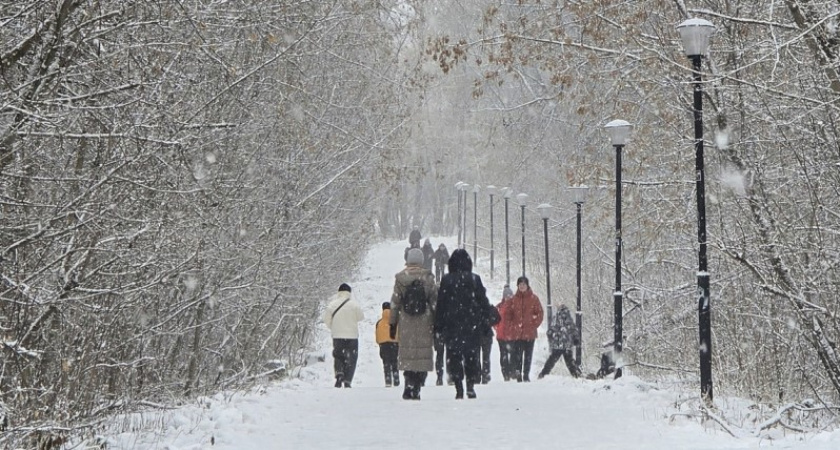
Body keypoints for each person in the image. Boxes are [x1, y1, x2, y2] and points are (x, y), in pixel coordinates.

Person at [435, 249, 498, 399]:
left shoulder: (447, 280)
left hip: (452, 326)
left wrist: (439, 326)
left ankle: (458, 386)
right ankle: (470, 385)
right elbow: (483, 302)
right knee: (471, 356)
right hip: (471, 325)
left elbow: (441, 305)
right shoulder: (475, 279)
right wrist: (485, 322)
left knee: (454, 357)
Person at [389, 248, 437, 400]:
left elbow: (395, 303)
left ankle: (408, 383)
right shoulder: (428, 278)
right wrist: (437, 323)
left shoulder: (401, 279)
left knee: (408, 354)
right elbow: (435, 302)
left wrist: (392, 323)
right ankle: (417, 385)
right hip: (425, 321)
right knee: (422, 355)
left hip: (406, 322)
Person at [323, 283, 364, 388]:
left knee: (338, 355)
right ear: (349, 292)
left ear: (339, 292)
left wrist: (333, 327)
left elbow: (326, 319)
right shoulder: (354, 305)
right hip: (352, 336)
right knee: (352, 358)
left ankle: (339, 373)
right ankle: (348, 380)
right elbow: (360, 317)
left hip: (337, 336)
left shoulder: (332, 304)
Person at [504, 276, 543, 382]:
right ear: (517, 286)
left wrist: (533, 324)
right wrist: (512, 326)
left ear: (527, 285)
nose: (522, 286)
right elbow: (508, 315)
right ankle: (518, 374)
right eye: (520, 284)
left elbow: (540, 313)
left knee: (528, 356)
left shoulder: (534, 299)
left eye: (524, 284)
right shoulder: (513, 300)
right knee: (517, 355)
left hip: (530, 333)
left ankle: (526, 374)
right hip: (517, 333)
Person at [538, 303, 582, 379]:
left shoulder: (556, 319)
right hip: (567, 345)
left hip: (557, 344)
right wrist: (576, 339)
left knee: (551, 361)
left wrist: (551, 338)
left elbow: (550, 330)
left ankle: (543, 374)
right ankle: (577, 375)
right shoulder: (568, 319)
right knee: (570, 362)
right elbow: (573, 329)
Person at [375, 302, 400, 387]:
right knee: (394, 361)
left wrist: (379, 342)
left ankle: (388, 380)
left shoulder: (379, 323)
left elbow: (377, 335)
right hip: (394, 343)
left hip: (383, 345)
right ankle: (396, 378)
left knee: (386, 363)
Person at [494, 285, 514, 381]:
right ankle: (506, 373)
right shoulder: (499, 307)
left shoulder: (515, 306)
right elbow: (493, 319)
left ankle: (511, 372)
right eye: (507, 295)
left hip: (512, 335)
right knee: (504, 355)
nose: (508, 297)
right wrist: (497, 328)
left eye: (510, 295)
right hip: (501, 335)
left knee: (512, 354)